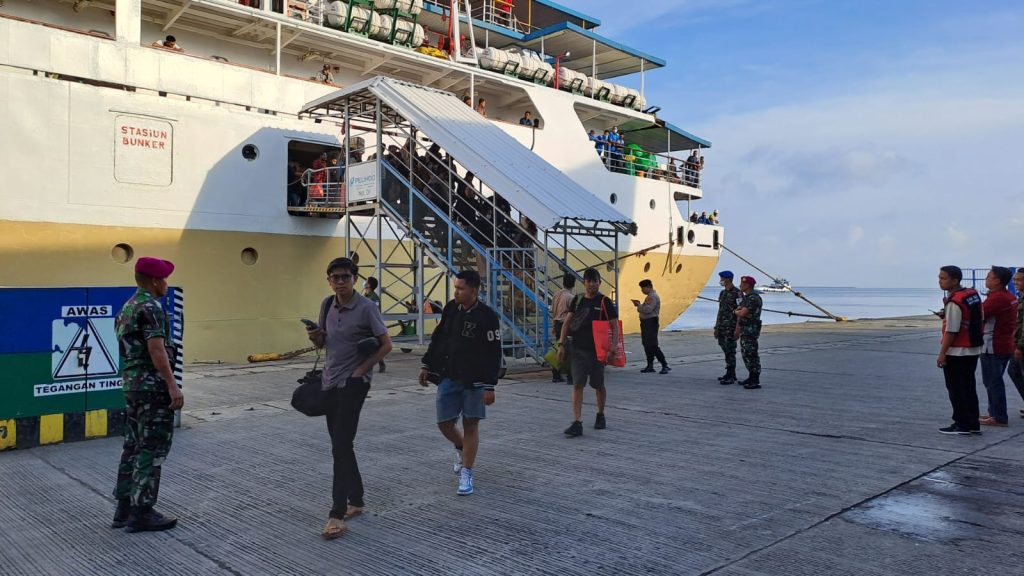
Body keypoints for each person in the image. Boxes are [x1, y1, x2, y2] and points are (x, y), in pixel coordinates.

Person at [306, 257, 392, 539]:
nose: (340, 281)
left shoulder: (367, 308)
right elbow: (323, 342)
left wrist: (361, 371)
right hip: (330, 381)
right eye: (335, 277)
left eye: (346, 276)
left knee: (340, 446)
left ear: (355, 278)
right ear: (329, 280)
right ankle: (356, 499)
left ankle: (336, 513)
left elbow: (386, 345)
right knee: (341, 444)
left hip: (353, 385)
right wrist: (314, 335)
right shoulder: (327, 305)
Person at [111, 257, 183, 533]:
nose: (166, 284)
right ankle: (142, 511)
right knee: (152, 447)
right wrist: (172, 385)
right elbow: (156, 349)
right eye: (164, 279)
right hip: (152, 387)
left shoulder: (127, 307)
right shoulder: (152, 307)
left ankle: (124, 508)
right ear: (154, 281)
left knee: (133, 445)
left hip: (132, 385)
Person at [419, 270, 502, 496]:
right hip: (449, 375)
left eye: (460, 288)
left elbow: (494, 352)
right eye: (455, 287)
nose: (455, 292)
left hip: (475, 380)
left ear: (473, 291)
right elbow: (438, 338)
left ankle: (467, 471)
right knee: (444, 423)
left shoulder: (487, 316)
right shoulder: (450, 309)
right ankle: (461, 447)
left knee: (471, 424)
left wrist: (490, 385)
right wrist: (426, 364)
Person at [558, 268, 618, 437]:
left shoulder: (605, 302)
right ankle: (577, 422)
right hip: (578, 350)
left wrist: (613, 347)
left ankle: (600, 414)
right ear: (584, 282)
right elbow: (566, 323)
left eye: (595, 281)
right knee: (577, 384)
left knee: (598, 384)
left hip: (598, 352)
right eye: (589, 281)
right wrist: (561, 344)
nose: (592, 284)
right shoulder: (577, 300)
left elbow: (614, 325)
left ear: (599, 283)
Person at [936, 265, 983, 435]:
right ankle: (973, 423)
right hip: (973, 348)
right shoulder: (972, 294)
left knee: (956, 389)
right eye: (939, 278)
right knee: (969, 387)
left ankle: (961, 424)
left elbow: (951, 331)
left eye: (943, 278)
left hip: (957, 351)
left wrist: (942, 353)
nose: (940, 281)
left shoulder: (955, 301)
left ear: (955, 281)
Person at [979, 266, 1018, 427]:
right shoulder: (1008, 296)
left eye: (989, 276)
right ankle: (993, 413)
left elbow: (978, 315)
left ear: (997, 281)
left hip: (993, 345)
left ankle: (999, 416)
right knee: (993, 381)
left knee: (993, 382)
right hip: (1004, 344)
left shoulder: (998, 298)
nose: (986, 279)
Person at [633, 279, 669, 374]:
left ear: (648, 287)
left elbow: (648, 309)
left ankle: (664, 364)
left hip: (650, 323)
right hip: (646, 322)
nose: (642, 290)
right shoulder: (650, 297)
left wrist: (639, 305)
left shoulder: (652, 297)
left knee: (652, 345)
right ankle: (650, 365)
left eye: (643, 288)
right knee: (646, 344)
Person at [734, 276, 763, 389]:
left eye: (742, 284)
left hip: (751, 330)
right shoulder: (747, 298)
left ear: (748, 285)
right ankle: (751, 376)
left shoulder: (753, 298)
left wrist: (736, 311)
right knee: (746, 353)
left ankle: (755, 379)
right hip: (745, 329)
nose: (740, 286)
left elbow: (742, 313)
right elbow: (741, 311)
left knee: (751, 354)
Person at [714, 271, 741, 385]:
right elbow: (720, 311)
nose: (721, 281)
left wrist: (737, 329)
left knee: (730, 351)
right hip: (722, 326)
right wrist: (716, 327)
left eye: (722, 279)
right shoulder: (722, 293)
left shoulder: (737, 293)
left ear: (728, 279)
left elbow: (740, 311)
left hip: (731, 326)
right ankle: (730, 373)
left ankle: (731, 375)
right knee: (724, 348)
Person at [550, 274, 576, 383]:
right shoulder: (571, 297)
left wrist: (554, 325)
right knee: (569, 350)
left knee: (559, 348)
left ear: (563, 282)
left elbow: (553, 310)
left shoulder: (556, 295)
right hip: (566, 324)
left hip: (557, 323)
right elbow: (573, 314)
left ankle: (556, 374)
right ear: (573, 284)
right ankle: (570, 376)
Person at [1007, 269, 1024, 414]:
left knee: (1015, 371)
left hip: (1021, 345)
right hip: (1018, 342)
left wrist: (1020, 346)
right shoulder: (1021, 298)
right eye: (1015, 279)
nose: (1016, 282)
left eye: (1019, 280)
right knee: (1013, 371)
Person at [363, 276, 387, 374]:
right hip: (365, 323)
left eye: (366, 281)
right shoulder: (366, 296)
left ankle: (380, 363)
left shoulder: (374, 298)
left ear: (369, 285)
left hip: (372, 324)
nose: (364, 283)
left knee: (373, 345)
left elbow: (374, 312)